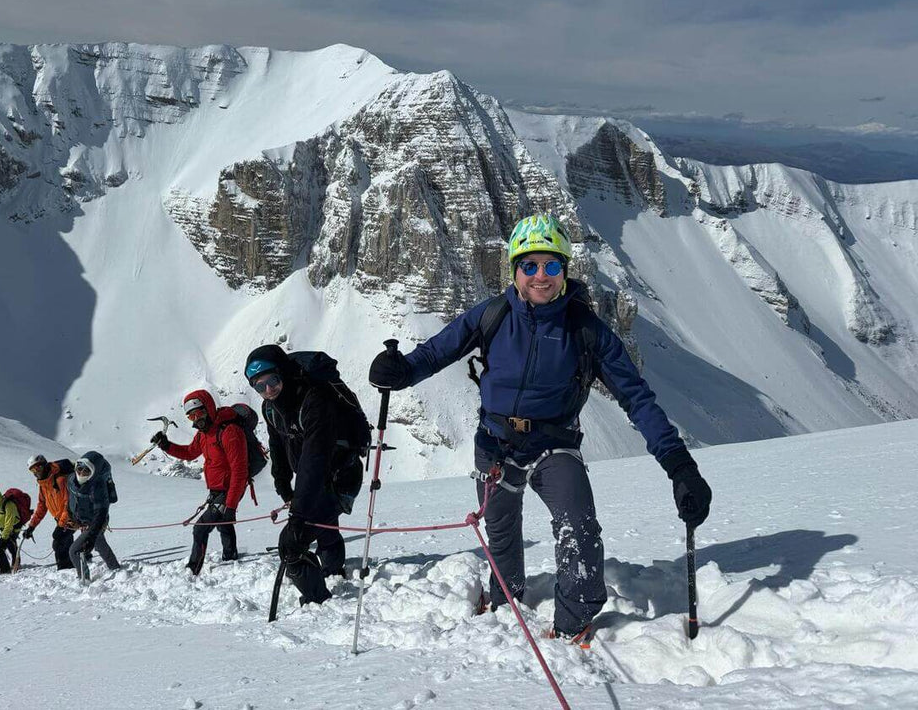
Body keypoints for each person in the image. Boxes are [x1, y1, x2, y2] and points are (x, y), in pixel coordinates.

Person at [368, 212, 712, 642]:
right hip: (494, 444)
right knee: (501, 530)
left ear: (565, 270)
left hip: (555, 444)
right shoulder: (492, 314)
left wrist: (680, 466)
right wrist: (399, 372)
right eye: (529, 265)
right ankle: (503, 598)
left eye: (551, 265)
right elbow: (438, 350)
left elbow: (637, 399)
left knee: (578, 526)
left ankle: (573, 621)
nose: (540, 276)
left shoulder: (588, 331)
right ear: (514, 271)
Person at [244, 345, 365, 605]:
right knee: (325, 526)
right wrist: (283, 485)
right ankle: (333, 573)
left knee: (291, 545)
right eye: (259, 386)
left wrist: (298, 514)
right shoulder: (272, 408)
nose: (268, 391)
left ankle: (319, 602)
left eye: (273, 381)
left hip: (341, 474)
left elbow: (315, 456)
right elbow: (277, 446)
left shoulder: (314, 399)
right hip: (316, 478)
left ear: (283, 374)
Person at [153, 389, 248, 576]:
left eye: (199, 413)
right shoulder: (204, 434)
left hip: (229, 490)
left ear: (209, 409)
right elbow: (190, 453)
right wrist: (167, 445)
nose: (197, 419)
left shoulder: (229, 432)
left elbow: (240, 471)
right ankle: (231, 559)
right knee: (223, 524)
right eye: (191, 417)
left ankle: (193, 569)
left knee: (200, 529)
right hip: (216, 490)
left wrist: (231, 505)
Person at [66, 451, 121, 579]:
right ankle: (115, 568)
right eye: (79, 469)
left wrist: (91, 535)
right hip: (84, 520)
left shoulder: (98, 487)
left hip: (96, 522)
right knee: (99, 544)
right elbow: (71, 500)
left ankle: (84, 579)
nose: (81, 473)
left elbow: (100, 513)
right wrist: (73, 518)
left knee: (74, 551)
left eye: (86, 471)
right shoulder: (71, 480)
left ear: (93, 472)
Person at [22, 454, 76, 570]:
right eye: (32, 470)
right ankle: (74, 565)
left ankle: (65, 570)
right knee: (65, 542)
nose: (36, 472)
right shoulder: (43, 485)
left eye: (38, 467)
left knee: (58, 541)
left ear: (45, 465)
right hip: (60, 518)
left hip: (71, 516)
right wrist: (32, 526)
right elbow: (42, 506)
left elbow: (69, 502)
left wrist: (62, 524)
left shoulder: (61, 479)